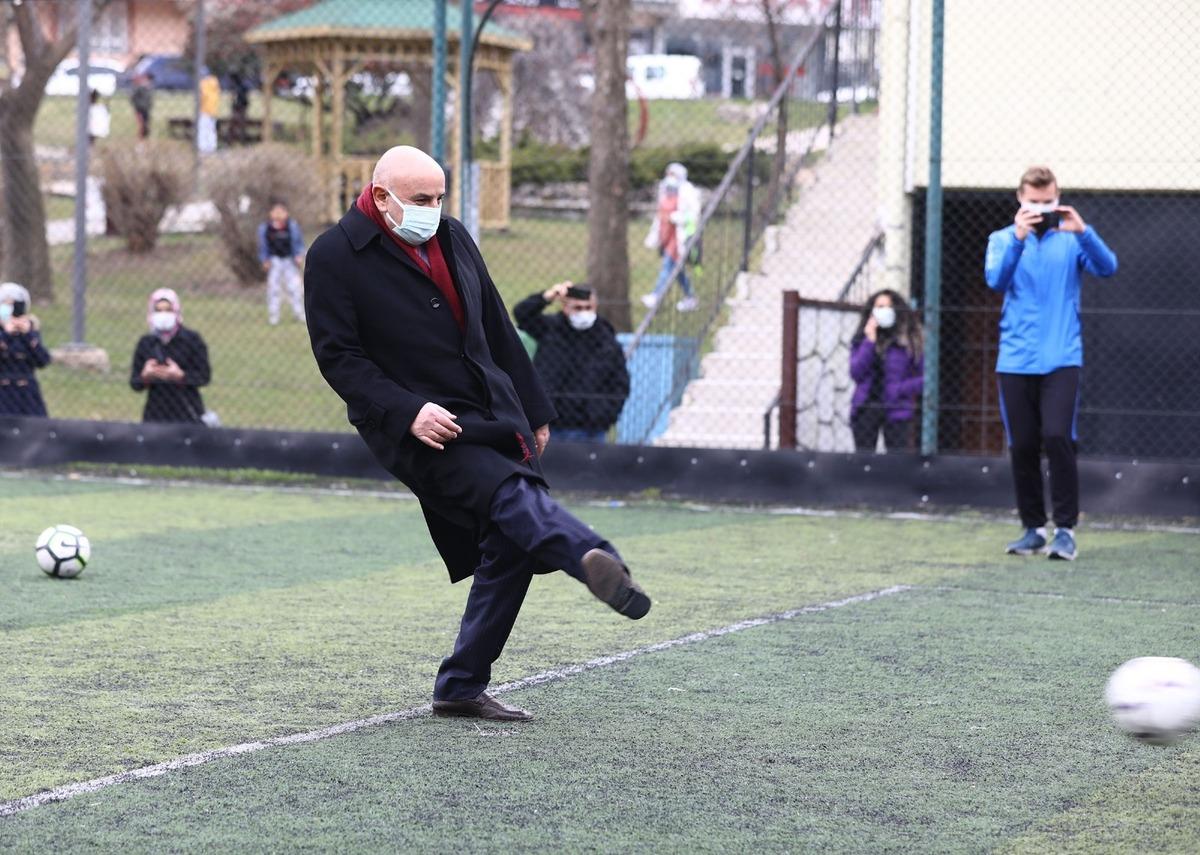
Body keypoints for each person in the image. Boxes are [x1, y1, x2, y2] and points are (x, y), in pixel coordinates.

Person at [304, 145, 651, 722]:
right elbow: (338, 357)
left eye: (440, 199)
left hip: (490, 410)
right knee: (511, 498)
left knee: (511, 541)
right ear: (381, 197)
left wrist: (534, 409)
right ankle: (592, 556)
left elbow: (495, 323)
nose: (433, 211)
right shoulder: (334, 255)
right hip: (418, 427)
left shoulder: (454, 235)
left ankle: (461, 685)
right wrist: (408, 409)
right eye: (421, 200)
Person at [985, 166, 1118, 561]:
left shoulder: (1072, 240)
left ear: (1057, 198)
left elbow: (1108, 267)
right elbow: (995, 279)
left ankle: (1065, 531)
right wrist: (1019, 238)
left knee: (1059, 438)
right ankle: (1033, 529)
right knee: (1022, 444)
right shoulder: (1002, 239)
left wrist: (1084, 231)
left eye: (1048, 202)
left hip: (1062, 358)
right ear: (1020, 199)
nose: (1041, 208)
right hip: (1015, 359)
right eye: (1034, 201)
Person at [513, 281, 630, 443]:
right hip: (552, 425)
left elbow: (620, 384)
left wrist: (603, 415)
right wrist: (548, 296)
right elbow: (522, 313)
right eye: (578, 308)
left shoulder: (606, 339)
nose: (584, 313)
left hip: (591, 429)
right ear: (566, 308)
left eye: (588, 307)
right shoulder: (550, 328)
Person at [848, 289, 923, 453]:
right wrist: (870, 341)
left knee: (897, 462)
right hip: (866, 406)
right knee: (864, 460)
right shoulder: (863, 338)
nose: (883, 311)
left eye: (888, 307)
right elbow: (856, 372)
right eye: (879, 306)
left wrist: (899, 389)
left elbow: (925, 378)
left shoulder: (909, 340)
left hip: (897, 409)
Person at [130, 288, 212, 424]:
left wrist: (180, 376)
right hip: (155, 414)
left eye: (168, 309)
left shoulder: (192, 339)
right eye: (158, 310)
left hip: (187, 413)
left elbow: (204, 377)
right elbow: (135, 383)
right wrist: (146, 376)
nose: (163, 314)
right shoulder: (147, 342)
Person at [641, 162, 701, 312]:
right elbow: (660, 213)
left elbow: (693, 215)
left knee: (668, 265)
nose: (670, 178)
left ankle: (656, 295)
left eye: (673, 175)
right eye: (669, 174)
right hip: (667, 234)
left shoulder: (688, 191)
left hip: (681, 235)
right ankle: (690, 297)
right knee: (677, 269)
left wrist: (675, 217)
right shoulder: (665, 189)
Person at [0, 282, 51, 417]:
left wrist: (28, 335)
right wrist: (6, 334)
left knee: (35, 430)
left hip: (27, 394)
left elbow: (43, 361)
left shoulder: (29, 332)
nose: (9, 310)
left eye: (13, 305)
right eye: (5, 304)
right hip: (3, 394)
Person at [257, 200, 306, 325]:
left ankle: (299, 313)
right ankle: (274, 316)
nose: (278, 215)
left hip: (289, 260)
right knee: (274, 289)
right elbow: (263, 247)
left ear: (286, 213)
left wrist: (299, 256)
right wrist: (265, 260)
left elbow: (299, 244)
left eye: (281, 212)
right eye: (275, 212)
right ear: (271, 213)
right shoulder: (265, 228)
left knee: (294, 288)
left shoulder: (292, 226)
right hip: (275, 261)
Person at [197, 67, 220, 155]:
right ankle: (212, 148)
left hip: (204, 109)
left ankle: (203, 148)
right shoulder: (215, 83)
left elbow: (201, 97)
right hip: (214, 109)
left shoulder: (203, 84)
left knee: (202, 129)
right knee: (211, 129)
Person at [131, 73, 154, 139]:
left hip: (146, 109)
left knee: (146, 123)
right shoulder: (139, 88)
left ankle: (146, 136)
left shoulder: (148, 88)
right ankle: (140, 137)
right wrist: (138, 105)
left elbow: (149, 100)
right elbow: (133, 98)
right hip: (139, 109)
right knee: (141, 124)